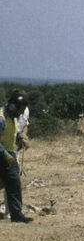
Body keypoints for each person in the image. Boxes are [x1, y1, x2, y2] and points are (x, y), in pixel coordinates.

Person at [0, 91, 32, 223]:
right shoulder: (1, 118)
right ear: (13, 107)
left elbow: (13, 132)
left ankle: (16, 214)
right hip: (4, 154)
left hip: (9, 154)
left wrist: (20, 138)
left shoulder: (12, 117)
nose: (21, 113)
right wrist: (6, 155)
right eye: (20, 110)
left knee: (14, 183)